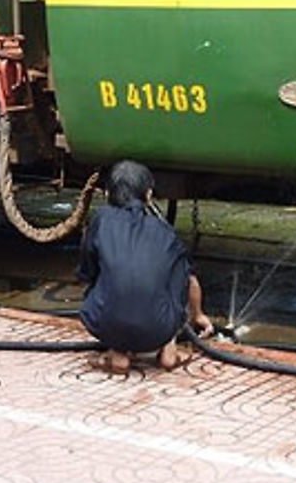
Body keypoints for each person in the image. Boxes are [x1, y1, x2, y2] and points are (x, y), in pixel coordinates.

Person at [78, 160, 213, 375]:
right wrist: (197, 315)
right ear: (148, 195)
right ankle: (169, 347)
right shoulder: (165, 232)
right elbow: (188, 280)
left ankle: (118, 353)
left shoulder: (100, 221)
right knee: (172, 278)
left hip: (106, 324)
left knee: (108, 283)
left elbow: (87, 273)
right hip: (159, 330)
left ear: (106, 194)